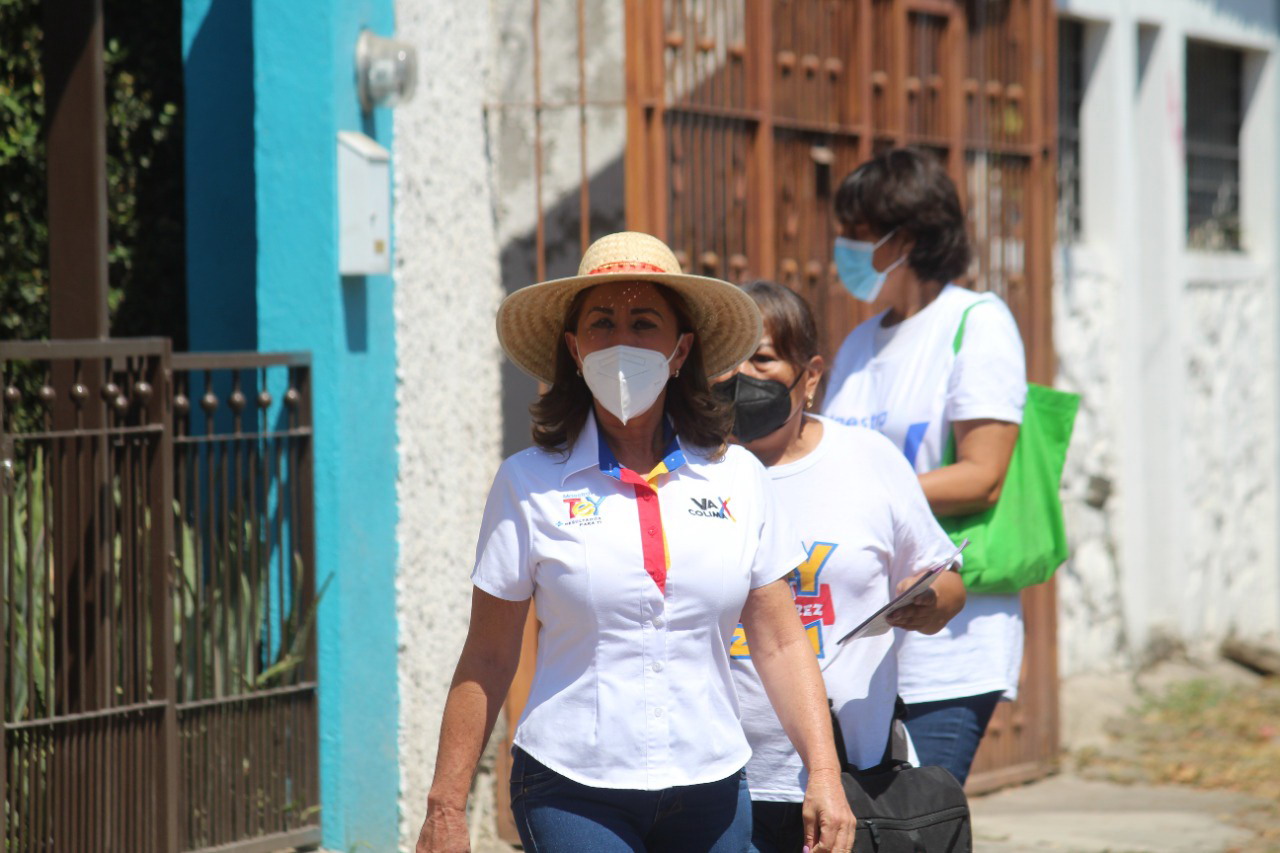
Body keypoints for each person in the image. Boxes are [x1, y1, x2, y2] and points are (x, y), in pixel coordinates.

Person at [414, 232, 854, 853]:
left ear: (680, 351)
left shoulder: (739, 478)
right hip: (572, 785)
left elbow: (781, 642)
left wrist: (826, 775)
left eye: (644, 323)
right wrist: (445, 806)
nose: (622, 342)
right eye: (602, 323)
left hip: (715, 785)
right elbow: (488, 655)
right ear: (574, 348)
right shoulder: (527, 483)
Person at [717, 280, 965, 853]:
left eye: (762, 359)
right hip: (719, 785)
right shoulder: (690, 470)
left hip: (851, 774)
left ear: (810, 375)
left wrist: (929, 603)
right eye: (726, 364)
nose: (741, 380)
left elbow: (948, 580)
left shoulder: (868, 461)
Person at [821, 147, 1028, 786]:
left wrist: (866, 496)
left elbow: (982, 475)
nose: (843, 250)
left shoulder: (975, 323)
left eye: (857, 236)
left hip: (949, 647)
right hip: (859, 647)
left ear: (903, 239)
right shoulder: (860, 341)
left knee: (915, 826)